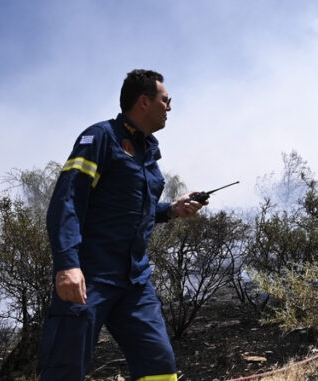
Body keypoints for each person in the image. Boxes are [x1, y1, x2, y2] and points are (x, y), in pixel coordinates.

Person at [38, 69, 206, 381]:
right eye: (165, 100)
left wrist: (173, 209)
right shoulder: (100, 138)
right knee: (64, 368)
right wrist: (67, 264)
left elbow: (133, 209)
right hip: (90, 276)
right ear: (144, 101)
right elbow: (68, 200)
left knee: (159, 366)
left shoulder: (147, 152)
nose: (169, 107)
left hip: (135, 282)